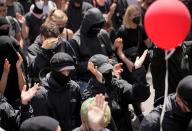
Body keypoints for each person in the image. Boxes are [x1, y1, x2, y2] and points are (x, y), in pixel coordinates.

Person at [83, 52, 150, 131]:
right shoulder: (88, 93)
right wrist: (100, 83)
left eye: (108, 70)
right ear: (93, 73)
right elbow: (98, 114)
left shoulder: (118, 84)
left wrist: (138, 72)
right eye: (102, 72)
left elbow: (140, 96)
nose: (107, 73)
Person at [69, 7, 118, 94]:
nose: (97, 29)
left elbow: (112, 53)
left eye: (99, 27)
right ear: (88, 25)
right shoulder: (76, 40)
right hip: (87, 83)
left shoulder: (102, 34)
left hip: (107, 79)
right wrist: (91, 65)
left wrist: (113, 64)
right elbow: (73, 67)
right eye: (94, 27)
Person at [31, 52, 81, 131]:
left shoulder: (74, 88)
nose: (66, 74)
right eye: (62, 71)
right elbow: (40, 125)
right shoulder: (41, 95)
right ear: (54, 70)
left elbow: (79, 117)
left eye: (68, 70)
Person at [0, 15, 28, 108]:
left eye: (7, 28)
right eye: (2, 28)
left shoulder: (14, 46)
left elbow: (23, 89)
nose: (5, 30)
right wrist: (5, 73)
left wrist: (18, 69)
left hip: (17, 104)